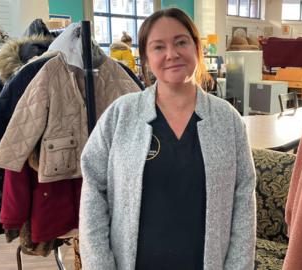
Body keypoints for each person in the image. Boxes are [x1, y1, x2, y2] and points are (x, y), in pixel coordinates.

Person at [79, 7, 256, 270]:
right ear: (146, 58)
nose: (171, 54)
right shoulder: (121, 115)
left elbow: (244, 203)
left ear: (196, 47)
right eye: (158, 47)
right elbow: (93, 194)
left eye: (181, 42)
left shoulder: (227, 120)